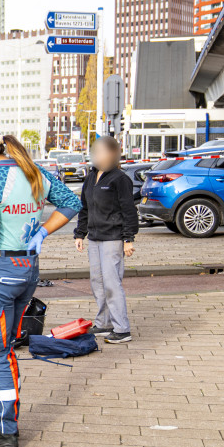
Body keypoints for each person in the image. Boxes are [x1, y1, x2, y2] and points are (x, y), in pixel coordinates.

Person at [0, 129, 82, 447]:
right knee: (6, 346)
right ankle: (1, 418)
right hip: (27, 269)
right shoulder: (31, 170)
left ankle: (4, 430)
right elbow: (71, 203)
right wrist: (43, 230)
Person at [73, 136, 138, 344]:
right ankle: (104, 323)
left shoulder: (119, 179)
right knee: (97, 282)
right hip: (94, 237)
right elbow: (85, 207)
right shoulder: (91, 177)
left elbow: (129, 210)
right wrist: (80, 233)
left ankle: (122, 329)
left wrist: (129, 238)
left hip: (113, 238)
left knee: (112, 283)